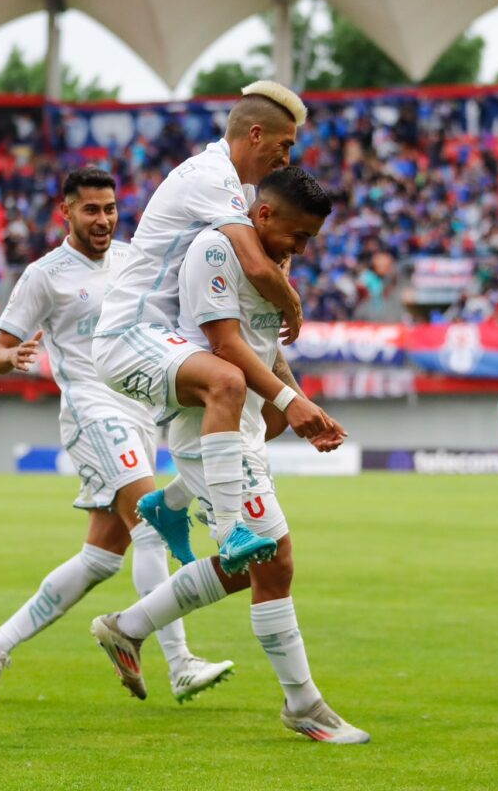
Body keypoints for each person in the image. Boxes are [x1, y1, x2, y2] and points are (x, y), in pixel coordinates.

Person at [91, 166, 369, 744]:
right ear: (263, 214)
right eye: (299, 235)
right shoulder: (214, 249)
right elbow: (224, 345)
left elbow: (265, 350)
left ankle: (129, 626)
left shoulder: (274, 265)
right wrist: (290, 404)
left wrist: (301, 405)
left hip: (239, 425)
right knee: (276, 559)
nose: (301, 248)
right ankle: (304, 705)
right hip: (205, 423)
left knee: (252, 569)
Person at [0, 167, 232, 705]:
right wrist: (10, 358)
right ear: (65, 211)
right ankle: (179, 664)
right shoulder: (45, 275)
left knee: (101, 559)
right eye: (91, 209)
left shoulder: (134, 260)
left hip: (137, 409)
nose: (104, 219)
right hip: (91, 409)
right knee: (152, 527)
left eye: (110, 208)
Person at [92, 81, 345, 578]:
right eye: (285, 145)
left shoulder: (245, 192)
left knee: (268, 417)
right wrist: (292, 301)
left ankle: (172, 502)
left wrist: (292, 397)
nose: (288, 157)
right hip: (130, 333)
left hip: (172, 340)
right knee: (228, 382)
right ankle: (229, 530)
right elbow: (254, 265)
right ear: (256, 135)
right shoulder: (212, 177)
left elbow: (253, 318)